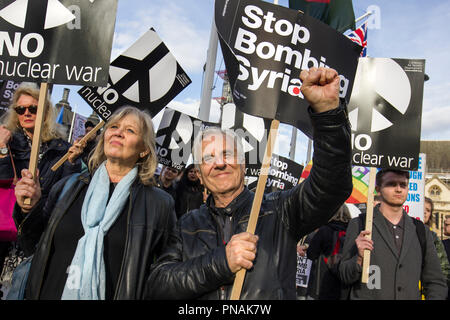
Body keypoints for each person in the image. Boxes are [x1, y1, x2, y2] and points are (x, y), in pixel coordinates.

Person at [145, 67, 353, 300]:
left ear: (244, 165)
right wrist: (222, 262)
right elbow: (158, 286)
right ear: (200, 175)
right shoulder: (187, 225)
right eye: (208, 158)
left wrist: (327, 114)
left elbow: (332, 184)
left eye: (227, 154)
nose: (220, 163)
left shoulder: (281, 210)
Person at [13, 106, 176, 300]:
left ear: (144, 150)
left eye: (130, 130)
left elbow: (166, 272)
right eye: (113, 126)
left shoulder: (159, 204)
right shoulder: (69, 186)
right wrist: (29, 208)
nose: (118, 132)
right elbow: (32, 244)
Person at [0, 85, 82, 296]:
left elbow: (64, 194)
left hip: (35, 235)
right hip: (4, 233)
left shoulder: (61, 149)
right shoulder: (7, 142)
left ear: (46, 112)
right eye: (20, 109)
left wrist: (72, 163)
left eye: (33, 109)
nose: (26, 113)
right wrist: (1, 148)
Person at [339, 169, 448, 300]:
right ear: (378, 189)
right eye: (391, 184)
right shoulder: (359, 224)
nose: (398, 189)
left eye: (403, 185)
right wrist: (359, 259)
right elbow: (344, 275)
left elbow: (436, 281)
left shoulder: (421, 230)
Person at [306, 204, 352, 300]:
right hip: (344, 284)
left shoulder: (324, 230)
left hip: (322, 282)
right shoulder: (352, 231)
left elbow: (311, 254)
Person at [424, 197, 450, 292]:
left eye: (428, 210)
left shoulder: (433, 237)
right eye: (422, 208)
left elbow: (444, 270)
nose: (424, 212)